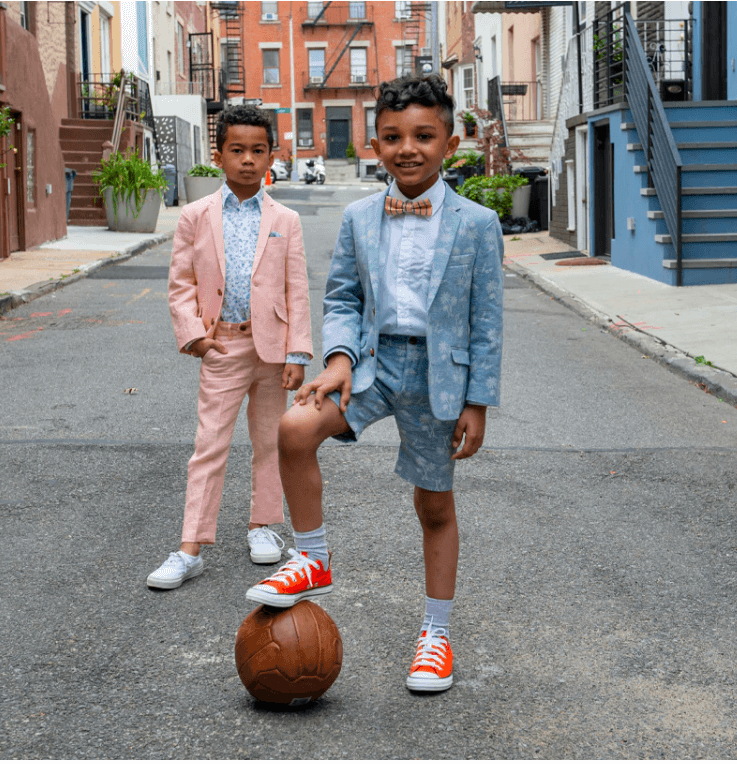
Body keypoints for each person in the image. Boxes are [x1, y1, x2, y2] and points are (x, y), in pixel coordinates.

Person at [245, 75, 504, 692]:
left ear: (450, 140)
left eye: (423, 135)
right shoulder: (360, 216)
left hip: (442, 376)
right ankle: (312, 557)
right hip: (371, 363)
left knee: (433, 505)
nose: (406, 148)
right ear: (374, 142)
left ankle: (435, 634)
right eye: (392, 137)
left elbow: (487, 321)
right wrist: (337, 358)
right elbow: (342, 296)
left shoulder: (478, 223)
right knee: (295, 426)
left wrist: (478, 402)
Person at [149, 105, 312, 590]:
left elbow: (296, 288)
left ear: (270, 156)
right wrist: (195, 337)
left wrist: (298, 353)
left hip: (273, 350)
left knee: (270, 443)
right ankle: (189, 548)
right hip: (221, 346)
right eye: (237, 150)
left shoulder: (286, 218)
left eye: (257, 151)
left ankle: (263, 526)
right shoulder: (196, 216)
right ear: (218, 155)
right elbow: (181, 283)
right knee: (209, 446)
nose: (247, 160)